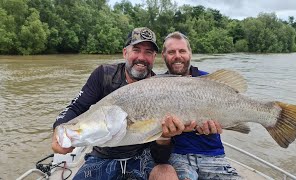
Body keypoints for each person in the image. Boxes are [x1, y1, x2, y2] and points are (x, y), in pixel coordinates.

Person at [51, 27, 183, 180]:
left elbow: (161, 157)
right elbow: (76, 106)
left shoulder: (162, 88)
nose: (141, 57)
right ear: (125, 52)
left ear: (154, 57)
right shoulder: (104, 74)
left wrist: (164, 138)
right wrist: (59, 127)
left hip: (143, 157)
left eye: (148, 52)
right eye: (136, 49)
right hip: (102, 157)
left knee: (166, 173)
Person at [162, 31, 242, 180]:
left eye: (182, 51)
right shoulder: (156, 85)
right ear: (163, 55)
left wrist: (219, 127)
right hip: (177, 156)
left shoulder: (212, 81)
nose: (177, 56)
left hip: (214, 156)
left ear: (190, 53)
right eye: (171, 52)